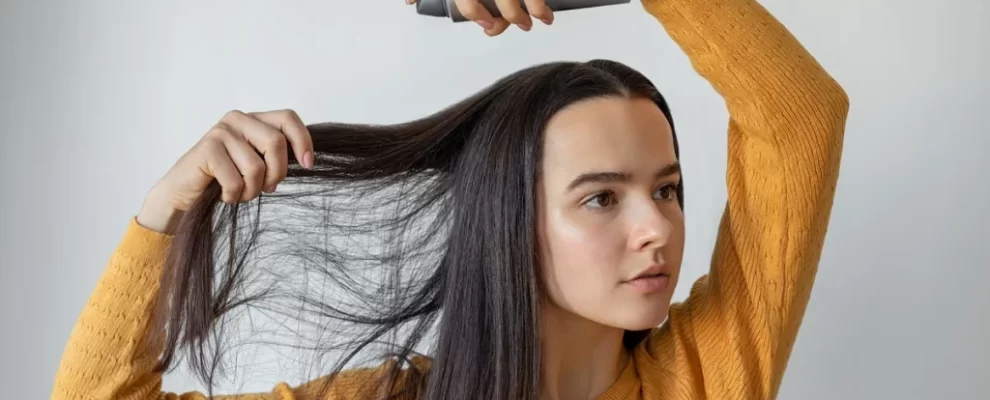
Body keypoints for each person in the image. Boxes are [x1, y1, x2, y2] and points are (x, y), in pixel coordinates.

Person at [51, 0, 849, 399]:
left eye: (666, 189)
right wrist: (167, 210)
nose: (658, 230)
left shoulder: (703, 377)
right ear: (511, 222)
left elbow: (802, 122)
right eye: (601, 199)